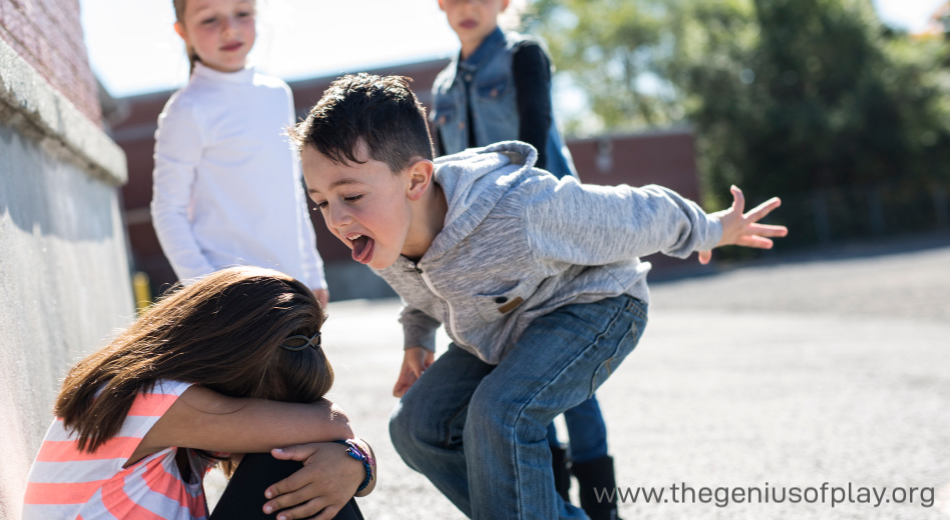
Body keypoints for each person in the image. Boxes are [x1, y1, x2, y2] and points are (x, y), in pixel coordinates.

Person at [291, 74, 786, 520]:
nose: (335, 218)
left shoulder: (520, 208)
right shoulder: (389, 234)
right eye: (321, 203)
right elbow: (422, 293)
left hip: (595, 308)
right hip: (501, 330)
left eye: (351, 196)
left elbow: (635, 212)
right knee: (417, 426)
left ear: (417, 179)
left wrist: (711, 228)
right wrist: (416, 338)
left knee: (500, 413)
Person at [428, 1, 607, 516]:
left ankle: (602, 507)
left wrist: (544, 236)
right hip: (482, 251)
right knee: (520, 373)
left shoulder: (523, 56)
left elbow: (538, 142)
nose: (466, 7)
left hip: (548, 233)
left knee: (573, 379)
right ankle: (554, 504)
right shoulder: (441, 88)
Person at [22, 267, 376, 520]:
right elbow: (336, 424)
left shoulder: (172, 412)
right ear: (231, 367)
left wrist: (355, 463)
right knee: (285, 461)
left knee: (300, 460)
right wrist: (356, 456)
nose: (271, 419)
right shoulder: (153, 399)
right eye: (267, 406)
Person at [151, 0, 328, 307]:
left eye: (242, 14)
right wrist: (208, 291)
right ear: (183, 32)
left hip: (293, 286)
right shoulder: (187, 109)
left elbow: (291, 192)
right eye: (209, 19)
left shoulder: (277, 94)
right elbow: (168, 210)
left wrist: (312, 273)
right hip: (233, 297)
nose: (229, 28)